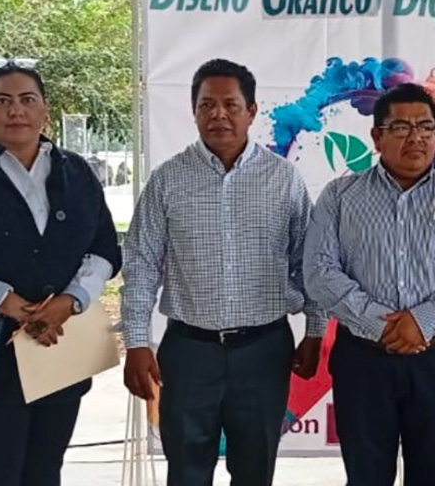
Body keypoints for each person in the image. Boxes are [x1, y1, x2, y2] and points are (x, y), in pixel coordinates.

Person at [121, 59, 326, 486]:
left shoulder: (284, 179)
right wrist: (137, 341)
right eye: (206, 105)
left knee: (255, 470)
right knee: (186, 470)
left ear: (251, 111)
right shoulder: (168, 179)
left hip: (264, 350)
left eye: (230, 105)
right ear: (194, 112)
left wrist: (314, 331)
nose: (218, 115)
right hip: (189, 351)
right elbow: (140, 263)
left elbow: (308, 262)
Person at [304, 83, 435, 486]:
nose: (416, 137)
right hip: (363, 360)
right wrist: (384, 325)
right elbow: (319, 271)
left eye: (426, 127)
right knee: (366, 478)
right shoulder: (340, 196)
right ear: (377, 137)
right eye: (402, 127)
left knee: (433, 476)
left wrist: (423, 320)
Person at [0, 63, 121, 486]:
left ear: (44, 109)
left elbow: (104, 249)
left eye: (27, 100)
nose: (15, 110)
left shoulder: (77, 172)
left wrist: (70, 300)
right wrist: (7, 302)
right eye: (2, 100)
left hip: (60, 340)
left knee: (45, 469)